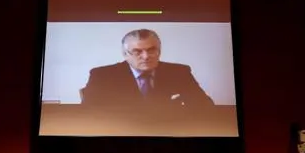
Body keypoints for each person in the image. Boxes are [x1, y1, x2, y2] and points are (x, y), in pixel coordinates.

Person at [81, 29, 214, 107]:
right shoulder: (102, 75)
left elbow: (205, 106)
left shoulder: (180, 72)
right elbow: (89, 112)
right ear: (125, 54)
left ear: (159, 51)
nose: (145, 57)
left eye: (151, 50)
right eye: (137, 52)